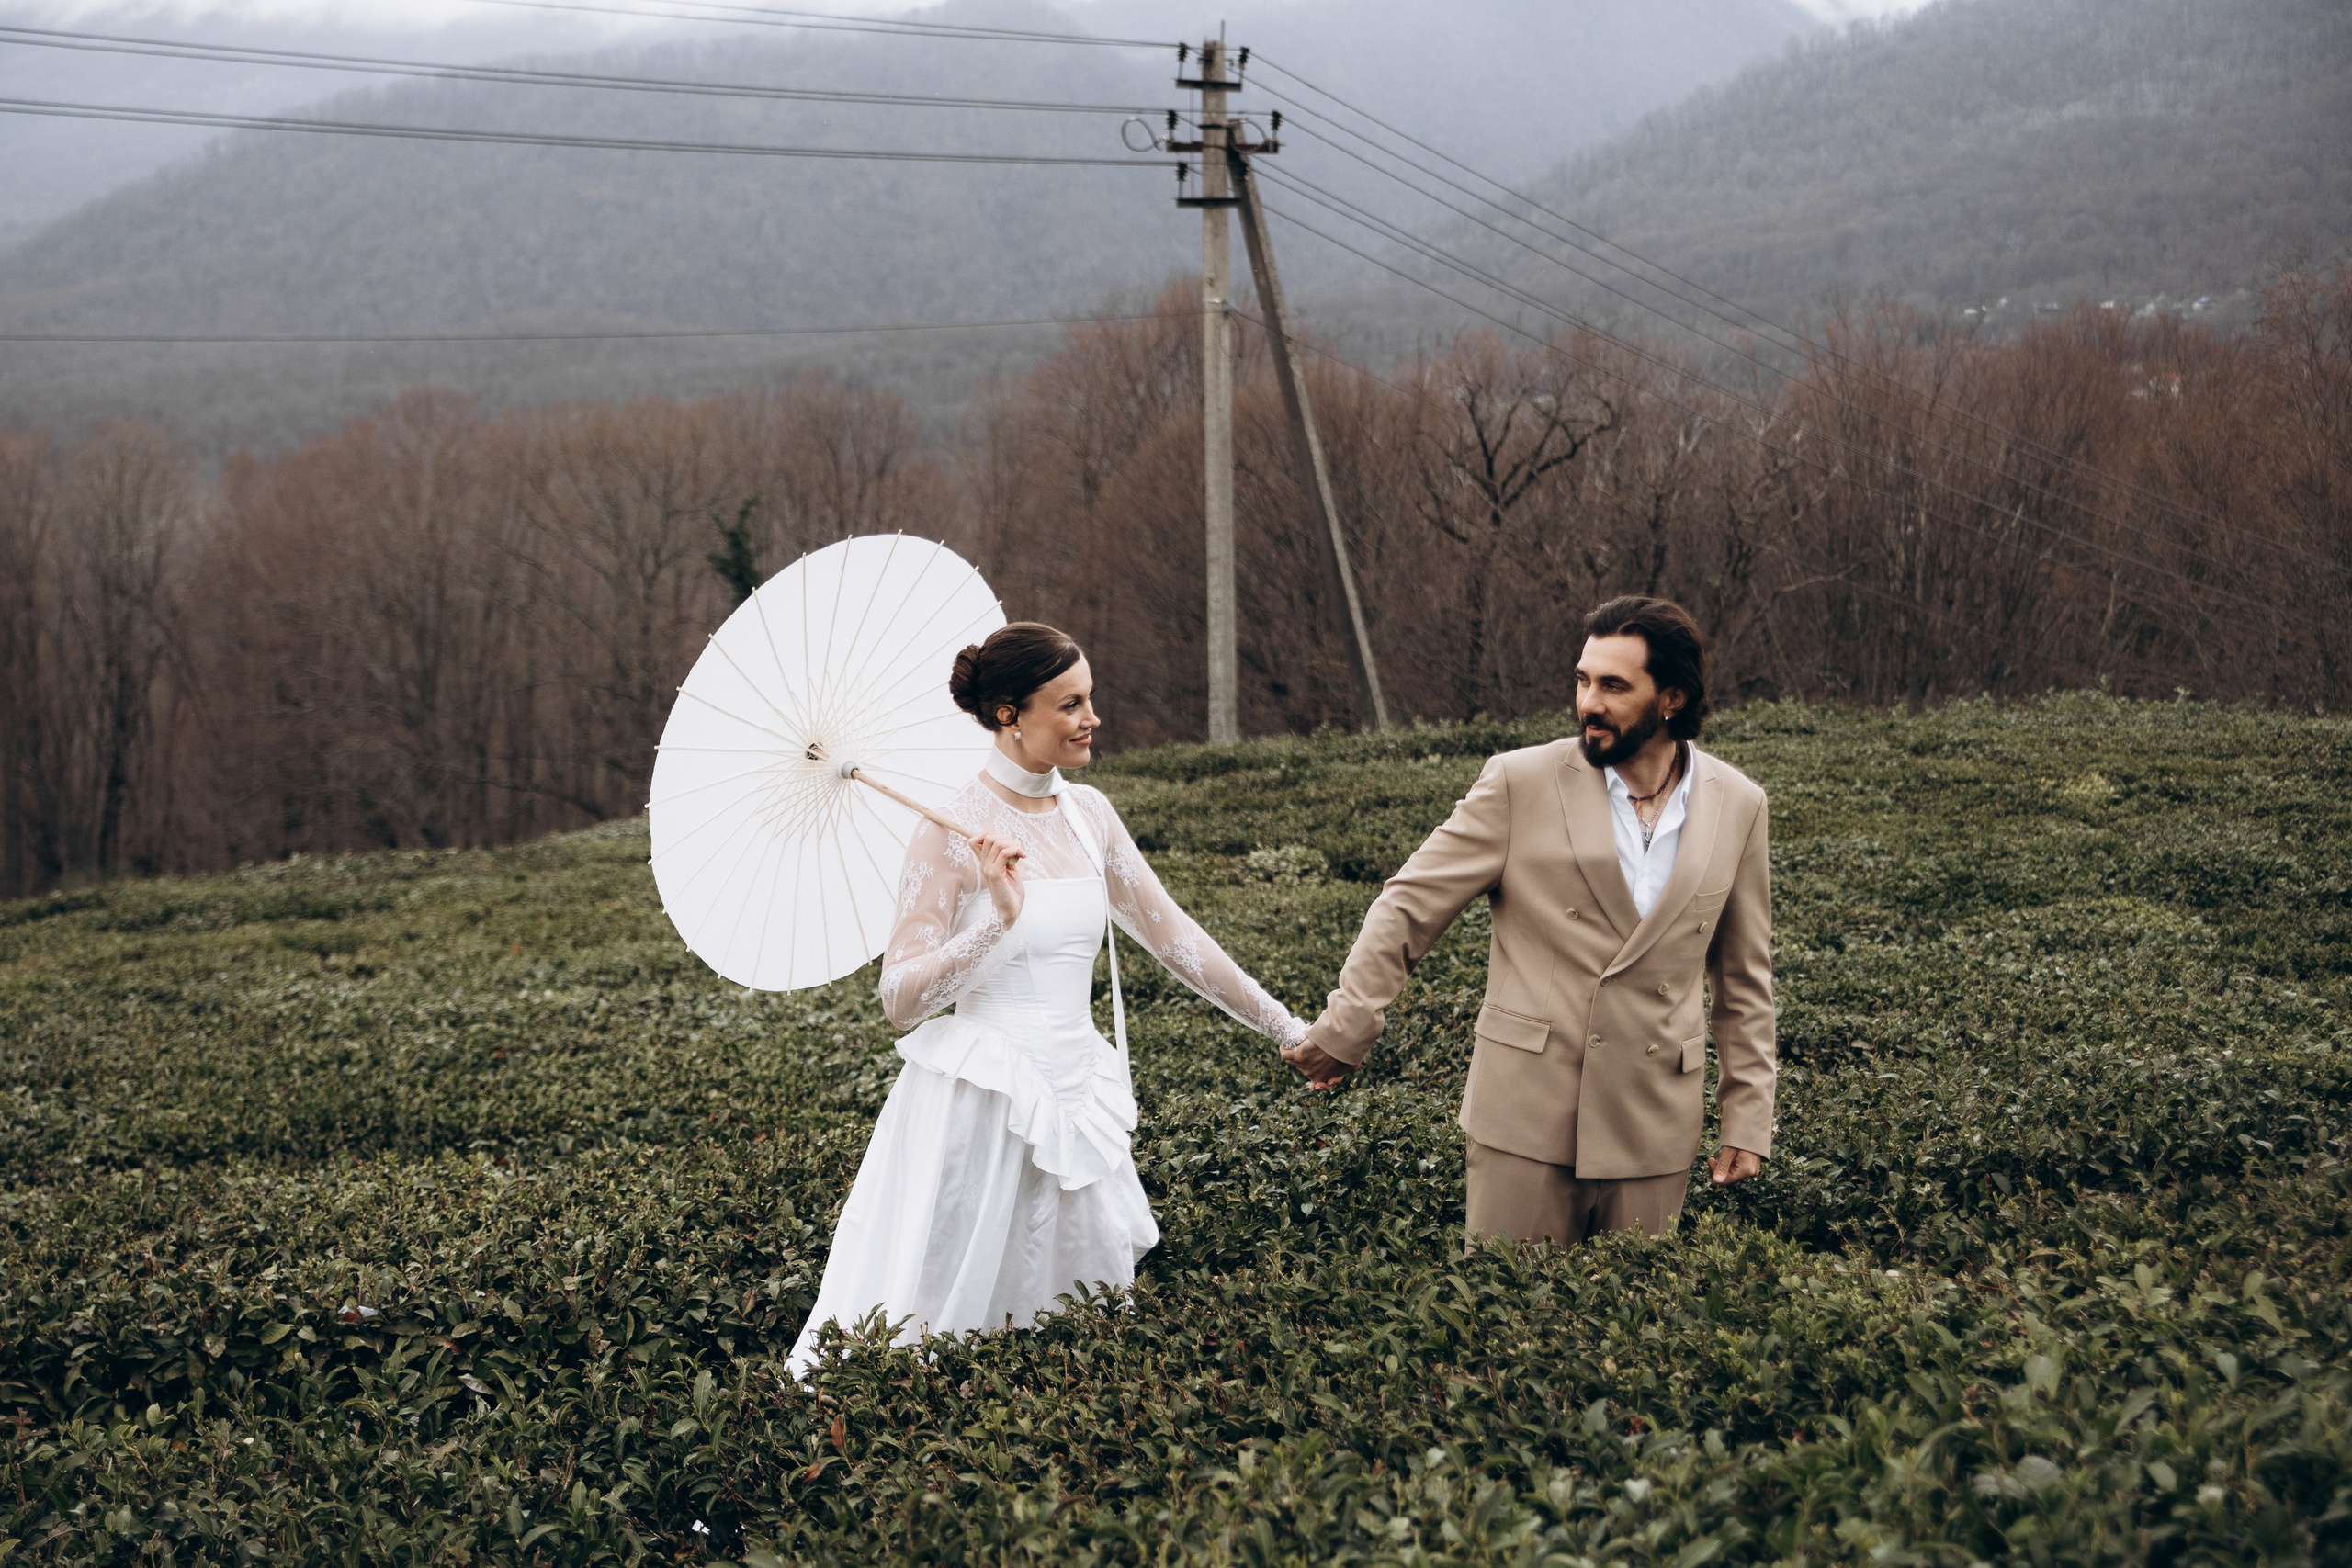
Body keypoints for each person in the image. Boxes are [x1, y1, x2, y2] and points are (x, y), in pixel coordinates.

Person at [787, 623, 1309, 1376]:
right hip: (983, 1111)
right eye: (1069, 704)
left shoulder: (1090, 814)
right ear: (1009, 714)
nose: (1091, 718)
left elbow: (1177, 939)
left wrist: (1288, 1028)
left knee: (1079, 1344)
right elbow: (898, 999)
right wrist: (996, 920)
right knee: (949, 1341)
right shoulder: (944, 834)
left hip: (1080, 1101)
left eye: (1089, 698)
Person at [1282, 596, 1776, 1247]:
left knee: (1630, 1335)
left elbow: (1743, 978)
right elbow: (1408, 905)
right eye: (1583, 680)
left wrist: (1747, 1113)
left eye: (1613, 685)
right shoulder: (1520, 782)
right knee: (1504, 1331)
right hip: (1526, 1116)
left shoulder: (1739, 804)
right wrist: (1348, 1024)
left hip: (1655, 1123)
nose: (1588, 703)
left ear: (1672, 699)